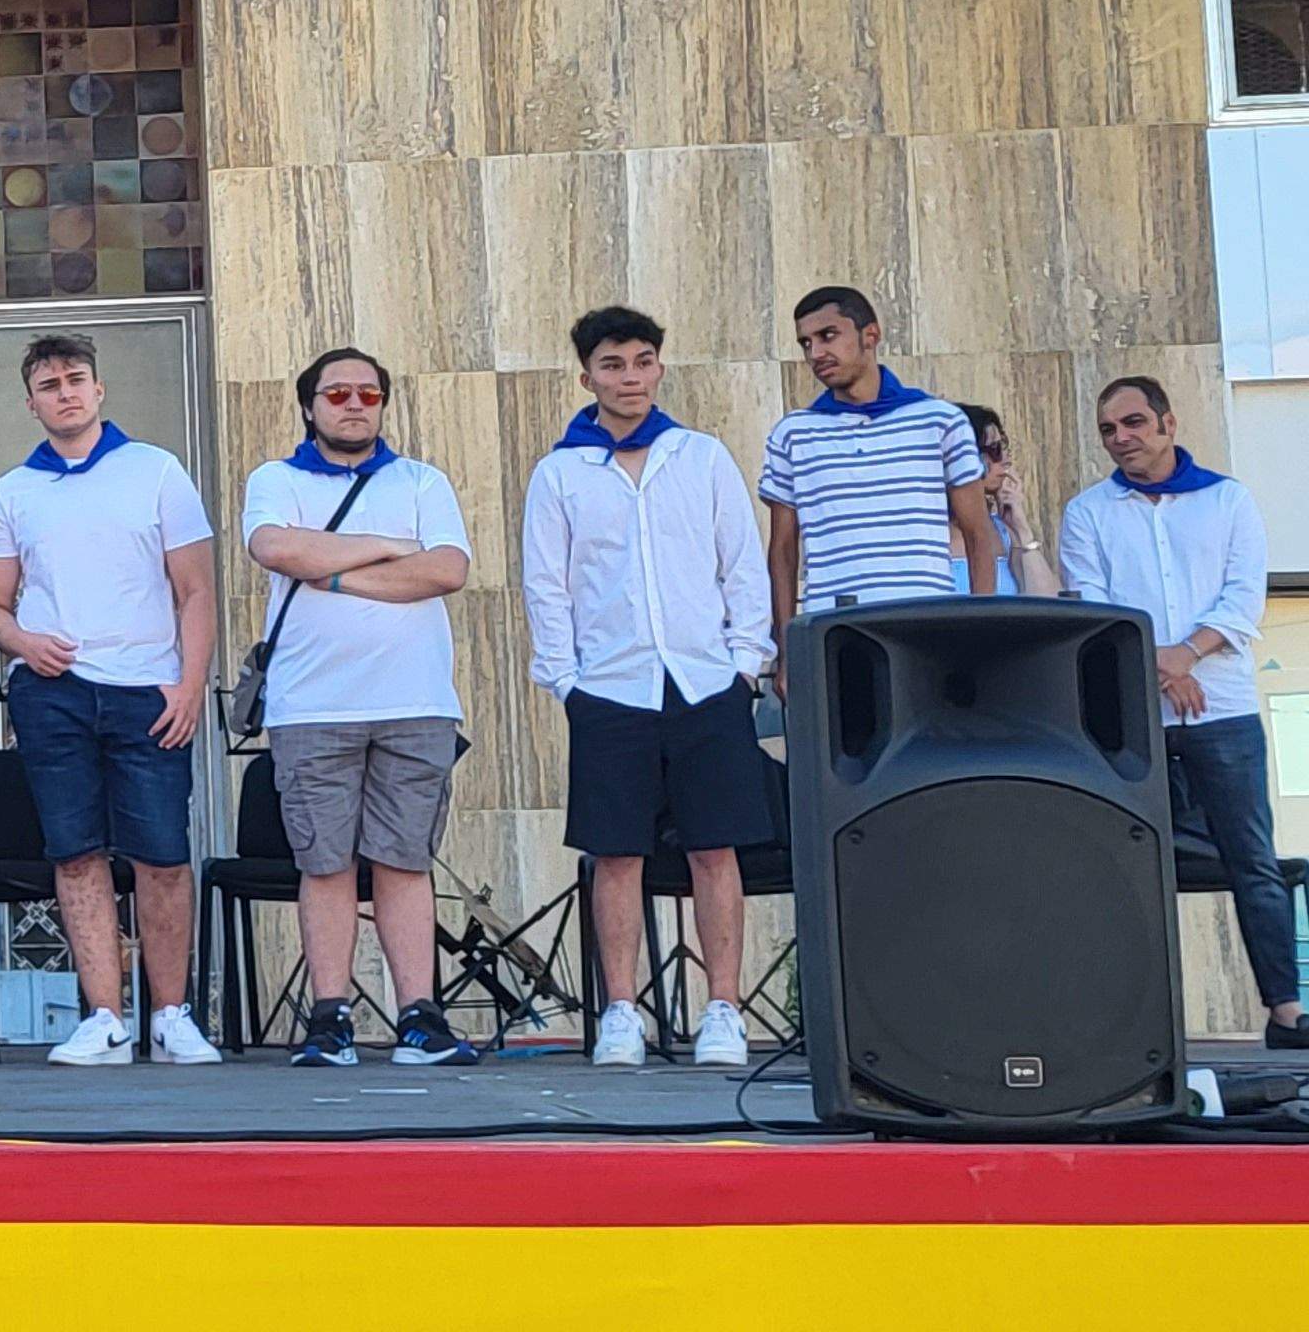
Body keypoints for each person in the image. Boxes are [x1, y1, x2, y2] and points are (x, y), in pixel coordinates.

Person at [520, 306, 775, 1069]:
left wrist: (742, 663)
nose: (629, 378)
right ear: (587, 376)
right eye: (612, 365)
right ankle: (622, 1011)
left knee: (713, 849)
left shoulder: (698, 457)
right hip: (610, 689)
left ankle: (722, 1008)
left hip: (705, 682)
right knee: (616, 853)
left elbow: (742, 564)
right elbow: (547, 585)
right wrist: (567, 681)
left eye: (641, 361)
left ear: (659, 366)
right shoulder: (561, 471)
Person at [0, 332, 219, 1068]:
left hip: (149, 686)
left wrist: (190, 683)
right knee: (75, 854)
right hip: (54, 692)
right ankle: (105, 1016)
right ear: (31, 402)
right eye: (50, 385)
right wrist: (21, 643)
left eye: (76, 379)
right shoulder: (13, 491)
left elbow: (197, 589)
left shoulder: (156, 471)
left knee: (162, 855)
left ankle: (171, 1015)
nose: (66, 393)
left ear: (99, 388)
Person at [238, 348, 477, 1068]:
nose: (354, 405)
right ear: (309, 404)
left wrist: (332, 574)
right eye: (337, 393)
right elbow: (275, 548)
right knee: (325, 861)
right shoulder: (275, 480)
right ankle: (330, 1015)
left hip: (416, 699)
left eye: (369, 394)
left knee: (405, 860)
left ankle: (419, 1016)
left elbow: (446, 570)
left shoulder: (422, 480)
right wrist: (381, 548)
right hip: (311, 705)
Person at [1060, 376, 1301, 1049]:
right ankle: (1132, 1022)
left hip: (1221, 709)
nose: (1121, 439)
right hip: (1131, 720)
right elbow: (1095, 610)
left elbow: (1242, 596)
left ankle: (1284, 1011)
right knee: (1123, 865)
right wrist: (1159, 669)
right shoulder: (1088, 513)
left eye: (1134, 422)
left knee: (1251, 860)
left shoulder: (1228, 501)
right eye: (1109, 429)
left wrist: (1185, 657)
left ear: (1168, 423)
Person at [763, 286, 993, 631]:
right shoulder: (793, 433)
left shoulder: (940, 420)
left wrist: (983, 631)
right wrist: (786, 649)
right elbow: (782, 551)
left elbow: (978, 534)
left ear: (870, 335)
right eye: (806, 343)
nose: (816, 353)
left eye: (828, 336)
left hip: (927, 621)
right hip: (832, 628)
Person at [955, 404, 1064, 597]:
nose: (1006, 460)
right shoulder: (930, 533)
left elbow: (1050, 602)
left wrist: (1021, 529)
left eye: (1005, 446)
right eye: (995, 449)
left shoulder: (1003, 531)